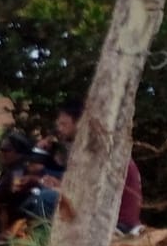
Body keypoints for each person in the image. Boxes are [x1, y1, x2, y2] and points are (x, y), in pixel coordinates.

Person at [51, 99, 143, 235]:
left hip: (116, 223)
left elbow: (82, 197)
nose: (59, 128)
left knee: (46, 198)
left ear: (79, 124)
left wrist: (54, 188)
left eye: (63, 124)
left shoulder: (96, 152)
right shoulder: (103, 148)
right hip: (117, 218)